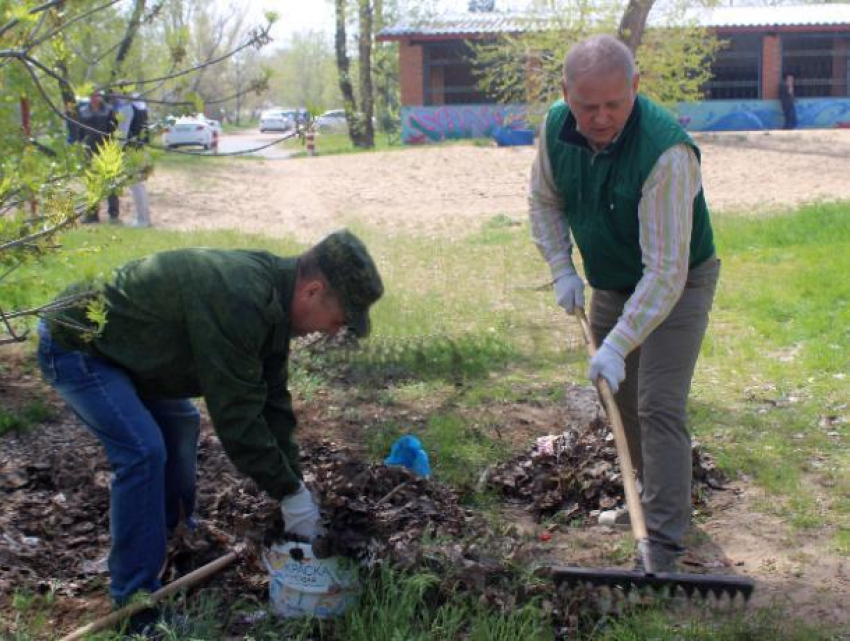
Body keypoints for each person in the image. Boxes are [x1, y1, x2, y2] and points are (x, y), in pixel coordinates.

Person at [37, 230, 384, 607]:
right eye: (341, 318)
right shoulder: (241, 297)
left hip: (130, 355)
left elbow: (272, 403)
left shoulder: (274, 300)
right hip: (78, 345)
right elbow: (237, 417)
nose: (336, 329)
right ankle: (135, 600)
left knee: (181, 423)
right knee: (143, 452)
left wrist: (295, 484)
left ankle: (176, 533)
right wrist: (288, 493)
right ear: (313, 291)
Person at [529, 34, 720, 572]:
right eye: (587, 106)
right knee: (619, 395)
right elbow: (544, 201)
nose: (602, 117)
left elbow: (664, 274)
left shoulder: (667, 152)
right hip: (613, 281)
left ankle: (661, 539)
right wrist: (562, 268)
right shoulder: (554, 129)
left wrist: (616, 342)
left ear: (635, 86)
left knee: (658, 402)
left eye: (615, 103)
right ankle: (655, 501)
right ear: (566, 93)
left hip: (678, 283)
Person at [77, 89, 120, 223]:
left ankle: (113, 214)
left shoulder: (109, 110)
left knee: (110, 183)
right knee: (92, 183)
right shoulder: (83, 111)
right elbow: (80, 133)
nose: (95, 98)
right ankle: (92, 215)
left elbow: (114, 130)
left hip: (106, 151)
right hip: (90, 150)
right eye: (92, 95)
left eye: (97, 95)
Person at [111, 91, 153, 227]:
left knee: (136, 186)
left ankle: (142, 220)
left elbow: (121, 134)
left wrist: (114, 153)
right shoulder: (141, 106)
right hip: (142, 150)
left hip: (131, 152)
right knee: (139, 186)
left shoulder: (126, 109)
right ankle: (145, 218)